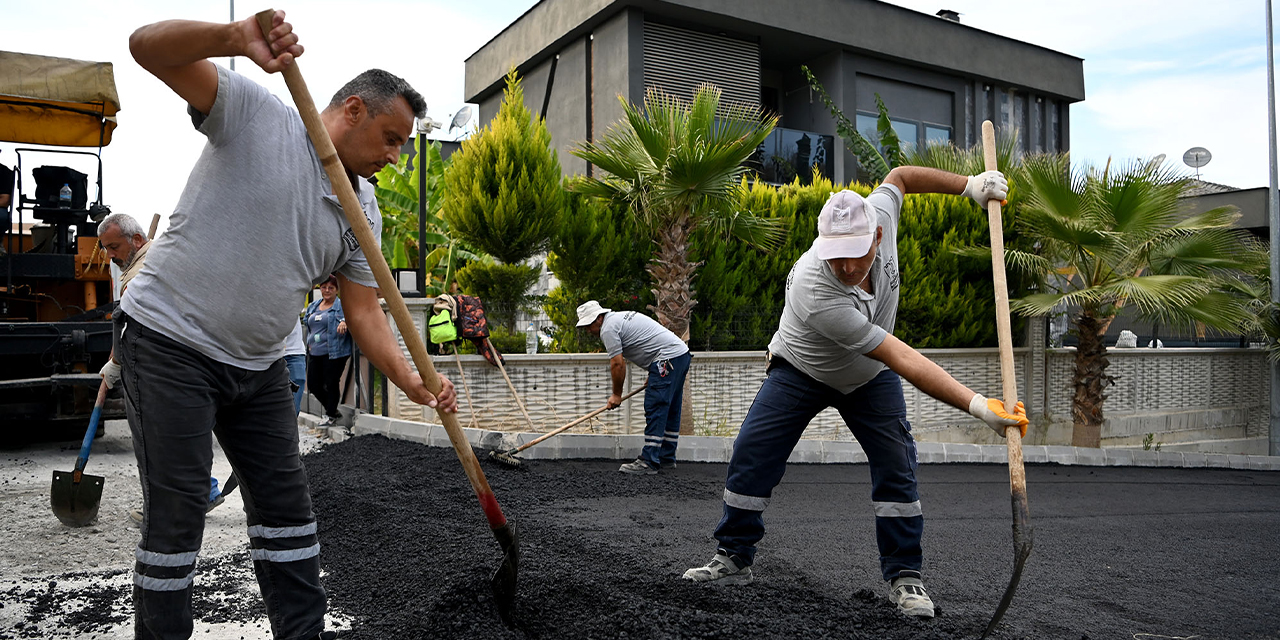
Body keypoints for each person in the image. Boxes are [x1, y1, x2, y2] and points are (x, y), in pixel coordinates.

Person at [113, 12, 457, 640]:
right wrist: (233, 38)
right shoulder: (258, 114)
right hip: (168, 343)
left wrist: (411, 380)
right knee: (180, 512)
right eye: (390, 137)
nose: (395, 155)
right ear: (352, 110)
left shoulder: (363, 209)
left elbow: (364, 313)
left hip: (262, 364)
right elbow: (145, 49)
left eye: (404, 144)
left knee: (287, 513)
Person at [679, 167, 1028, 620]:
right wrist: (979, 406)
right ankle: (733, 558)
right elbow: (900, 355)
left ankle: (905, 576)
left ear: (877, 236)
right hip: (801, 369)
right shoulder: (812, 284)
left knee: (897, 466)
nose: (845, 267)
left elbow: (899, 177)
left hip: (867, 377)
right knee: (753, 452)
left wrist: (969, 186)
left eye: (855, 254)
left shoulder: (880, 211)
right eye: (834, 256)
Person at [97, 213, 239, 521]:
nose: (110, 255)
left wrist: (116, 362)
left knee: (166, 440)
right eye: (105, 248)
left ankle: (169, 509)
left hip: (168, 367)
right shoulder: (140, 265)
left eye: (113, 246)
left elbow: (131, 325)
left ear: (136, 240)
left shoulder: (147, 270)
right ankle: (204, 492)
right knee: (176, 439)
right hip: (176, 365)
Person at [577, 300, 691, 475]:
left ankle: (650, 461)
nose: (587, 331)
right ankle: (666, 458)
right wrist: (654, 374)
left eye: (588, 325)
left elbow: (617, 364)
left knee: (656, 406)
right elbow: (650, 342)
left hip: (667, 359)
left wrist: (616, 395)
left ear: (598, 318)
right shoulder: (619, 318)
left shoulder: (608, 328)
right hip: (679, 355)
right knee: (671, 408)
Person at [304, 275, 352, 427]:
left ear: (337, 290)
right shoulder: (314, 306)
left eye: (331, 288)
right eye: (324, 287)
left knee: (331, 382)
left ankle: (331, 415)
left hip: (334, 352)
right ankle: (333, 410)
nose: (327, 290)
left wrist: (345, 322)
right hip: (314, 351)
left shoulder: (342, 306)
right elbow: (307, 323)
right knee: (313, 384)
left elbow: (353, 318)